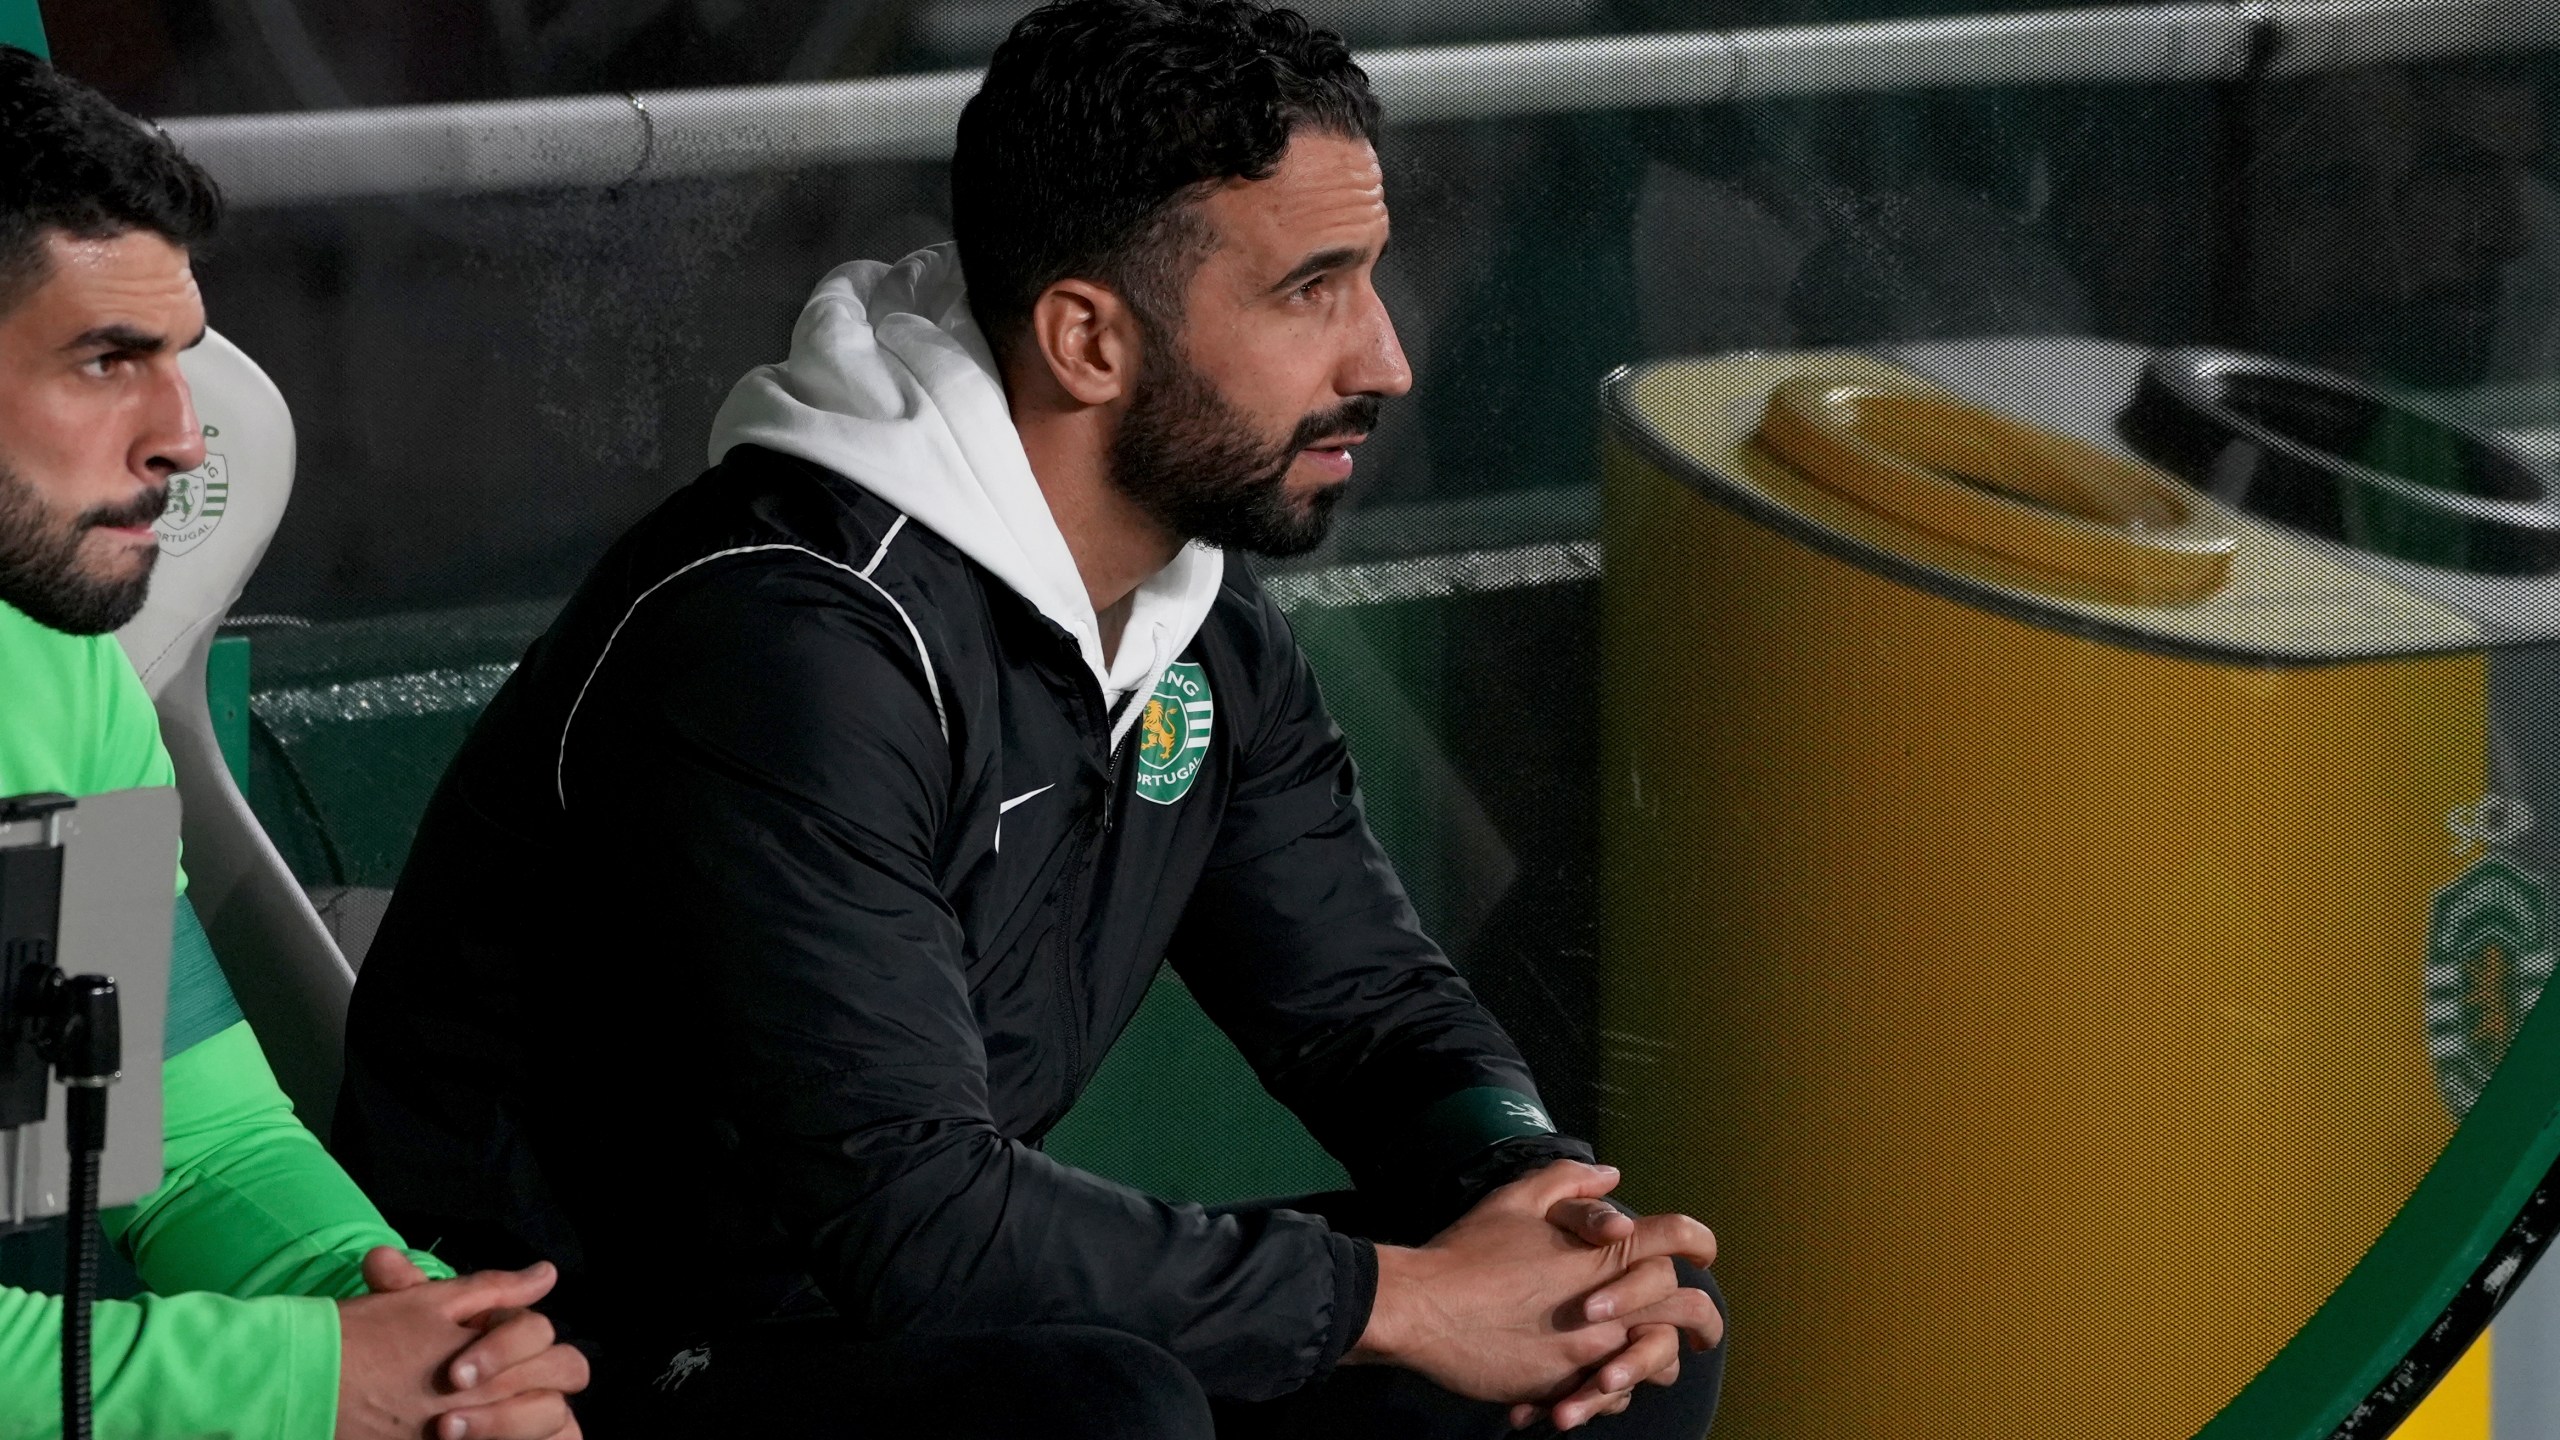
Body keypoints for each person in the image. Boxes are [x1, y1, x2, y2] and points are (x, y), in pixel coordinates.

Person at [333, 2, 1726, 1435]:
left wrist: (1533, 1196)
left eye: (1371, 280)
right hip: (593, 1362)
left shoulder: (1193, 614)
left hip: (899, 1320)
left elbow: (1366, 1014)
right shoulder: (788, 640)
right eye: (1312, 291)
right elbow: (915, 1214)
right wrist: (1413, 1301)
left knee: (1609, 1344)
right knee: (1097, 1412)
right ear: (1087, 339)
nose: (1384, 358)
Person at [0, 46, 589, 1439]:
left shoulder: (65, 677)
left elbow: (198, 1148)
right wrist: (317, 1379)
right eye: (106, 362)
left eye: (179, 364)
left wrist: (433, 1343)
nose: (184, 439)